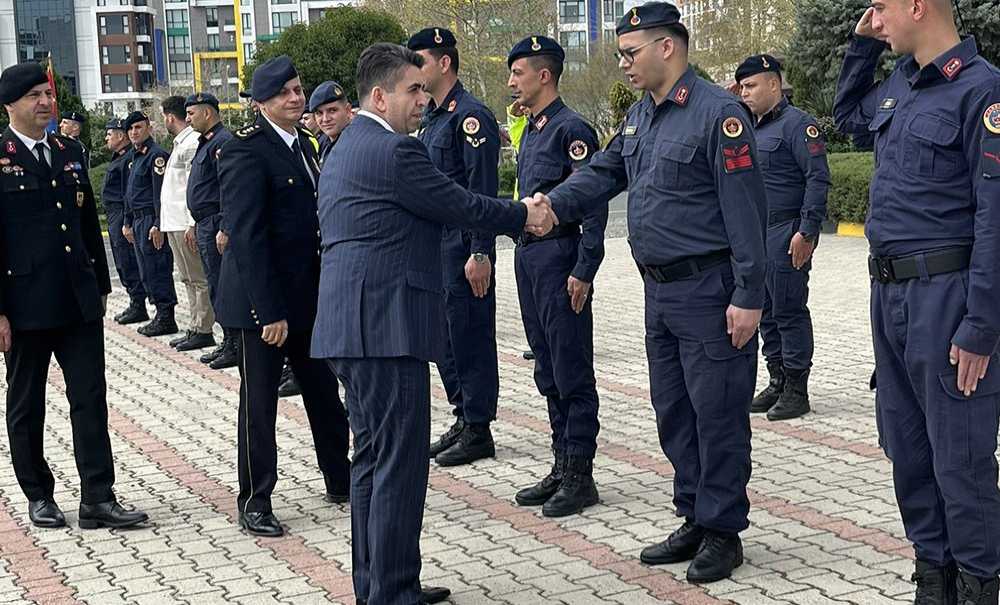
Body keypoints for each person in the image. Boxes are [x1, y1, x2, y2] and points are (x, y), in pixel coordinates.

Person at [532, 1, 767, 582]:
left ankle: (723, 530)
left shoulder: (719, 115)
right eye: (621, 54)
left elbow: (746, 216)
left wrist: (749, 296)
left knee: (717, 415)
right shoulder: (642, 116)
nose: (624, 64)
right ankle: (693, 513)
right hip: (659, 294)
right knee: (673, 412)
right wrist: (548, 206)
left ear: (669, 47)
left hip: (711, 292)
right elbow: (603, 173)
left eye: (631, 53)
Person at [312, 41, 554, 605]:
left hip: (351, 324)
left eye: (424, 89)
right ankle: (392, 593)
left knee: (373, 462)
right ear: (380, 95)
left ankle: (379, 585)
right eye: (412, 90)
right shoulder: (395, 151)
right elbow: (460, 205)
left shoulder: (345, 146)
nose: (422, 100)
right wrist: (525, 214)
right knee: (397, 466)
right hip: (384, 327)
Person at [833, 1, 1000, 602]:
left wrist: (981, 326)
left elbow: (995, 220)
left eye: (878, 8)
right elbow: (845, 116)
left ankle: (981, 586)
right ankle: (935, 580)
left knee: (960, 458)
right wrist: (863, 48)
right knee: (906, 448)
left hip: (947, 299)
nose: (873, 19)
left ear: (917, 6)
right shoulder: (898, 85)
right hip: (890, 296)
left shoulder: (983, 93)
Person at [0, 62, 148, 530]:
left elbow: (85, 227)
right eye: (33, 96)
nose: (45, 102)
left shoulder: (67, 151)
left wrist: (102, 286)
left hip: (77, 299)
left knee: (90, 397)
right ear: (10, 105)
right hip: (24, 304)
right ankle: (39, 494)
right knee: (27, 403)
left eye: (47, 94)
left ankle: (98, 497)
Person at [216, 56, 352, 538]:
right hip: (265, 307)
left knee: (323, 392)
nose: (296, 98)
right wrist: (267, 310)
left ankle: (341, 479)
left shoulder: (307, 145)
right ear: (260, 105)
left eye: (298, 90)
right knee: (259, 406)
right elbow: (248, 237)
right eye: (283, 94)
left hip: (307, 298)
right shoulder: (245, 151)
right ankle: (255, 499)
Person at [506, 35, 607, 518]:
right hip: (529, 259)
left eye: (518, 73)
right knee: (547, 366)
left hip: (561, 259)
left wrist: (585, 268)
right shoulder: (532, 129)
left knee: (571, 368)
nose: (511, 82)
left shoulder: (572, 129)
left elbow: (594, 205)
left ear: (544, 75)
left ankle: (581, 473)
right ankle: (561, 462)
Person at [407, 27, 504, 467]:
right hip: (436, 245)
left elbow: (483, 193)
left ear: (444, 63)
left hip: (465, 246)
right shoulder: (433, 118)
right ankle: (463, 415)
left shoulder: (471, 118)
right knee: (445, 338)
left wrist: (481, 251)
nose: (415, 70)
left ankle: (479, 427)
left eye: (421, 61)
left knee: (470, 336)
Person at [736, 54, 831, 421]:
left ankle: (796, 388)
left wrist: (807, 231)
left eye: (751, 86)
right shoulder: (744, 127)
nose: (745, 93)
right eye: (741, 87)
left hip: (786, 231)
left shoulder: (798, 125)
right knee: (766, 313)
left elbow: (817, 179)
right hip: (755, 235)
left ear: (774, 84)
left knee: (789, 310)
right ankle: (776, 378)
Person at [185, 92, 239, 370]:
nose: (187, 118)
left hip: (217, 223)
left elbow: (228, 188)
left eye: (192, 113)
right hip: (204, 223)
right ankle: (227, 340)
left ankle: (234, 344)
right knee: (215, 284)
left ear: (207, 113)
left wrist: (224, 226)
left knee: (223, 285)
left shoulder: (222, 142)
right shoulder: (205, 143)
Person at [159, 95, 216, 352]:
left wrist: (191, 222)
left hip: (184, 222)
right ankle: (195, 325)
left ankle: (203, 328)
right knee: (187, 279)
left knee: (198, 278)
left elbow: (195, 188)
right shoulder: (181, 142)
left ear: (170, 116)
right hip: (173, 222)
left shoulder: (192, 142)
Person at [123, 111, 179, 337]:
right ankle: (158, 312)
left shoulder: (156, 156)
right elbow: (129, 194)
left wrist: (158, 223)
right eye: (130, 129)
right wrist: (126, 222)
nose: (134, 132)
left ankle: (167, 316)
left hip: (150, 220)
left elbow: (159, 195)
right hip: (136, 220)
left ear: (148, 127)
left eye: (138, 127)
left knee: (158, 268)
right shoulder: (134, 157)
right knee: (146, 270)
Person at [101, 117, 148, 325]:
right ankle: (134, 302)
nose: (106, 138)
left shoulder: (129, 158)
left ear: (120, 136)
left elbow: (128, 192)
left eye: (110, 134)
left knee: (127, 260)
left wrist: (126, 221)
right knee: (121, 260)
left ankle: (138, 304)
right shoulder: (118, 157)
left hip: (121, 213)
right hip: (113, 214)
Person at [308, 80, 353, 165]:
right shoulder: (324, 143)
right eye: (319, 113)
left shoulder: (356, 144)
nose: (325, 119)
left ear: (348, 110)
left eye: (332, 110)